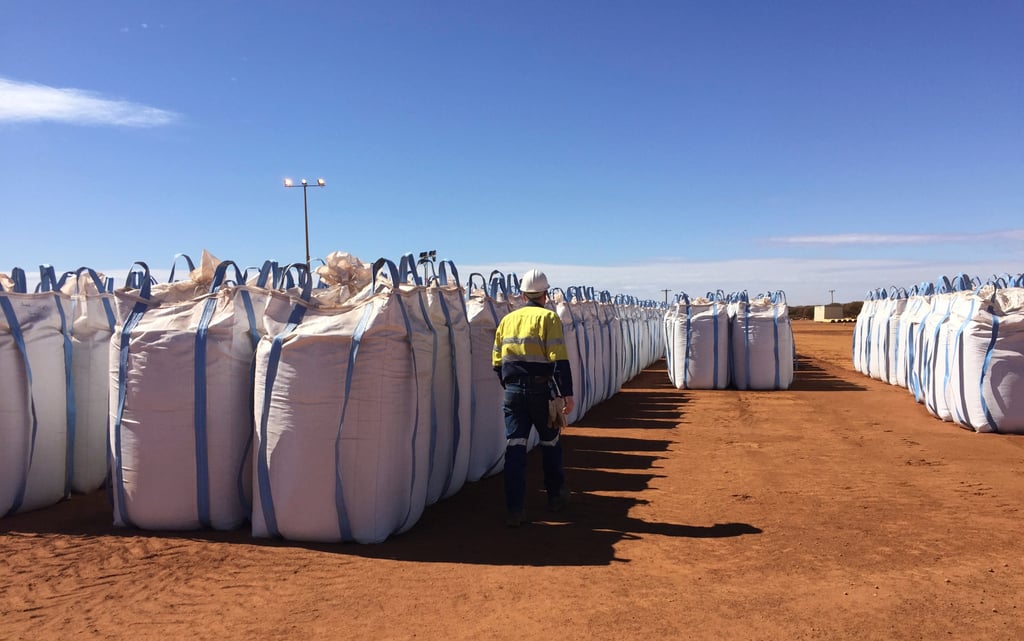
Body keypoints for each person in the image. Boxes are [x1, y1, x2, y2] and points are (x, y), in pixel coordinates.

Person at [492, 268, 575, 527]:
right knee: (550, 444)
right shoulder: (549, 318)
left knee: (515, 450)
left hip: (513, 393)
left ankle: (515, 510)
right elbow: (558, 359)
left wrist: (511, 386)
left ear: (522, 293)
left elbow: (497, 361)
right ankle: (556, 498)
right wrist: (566, 394)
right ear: (545, 294)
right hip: (542, 394)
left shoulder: (508, 319)